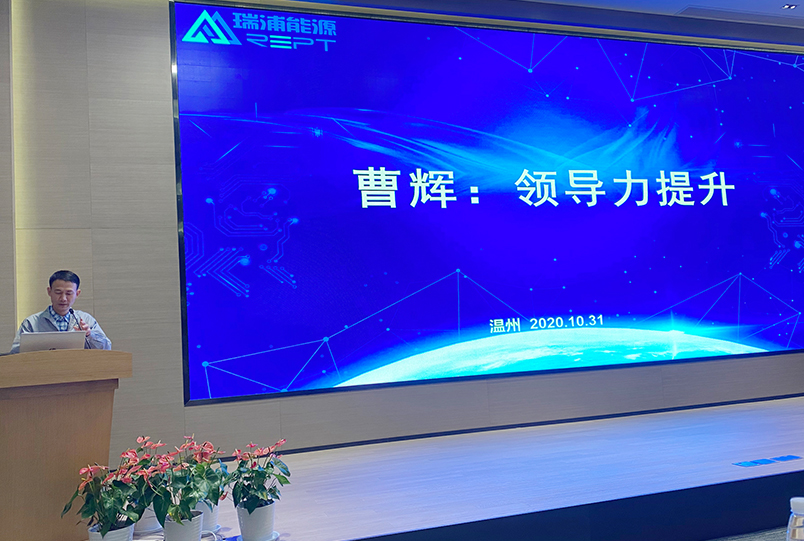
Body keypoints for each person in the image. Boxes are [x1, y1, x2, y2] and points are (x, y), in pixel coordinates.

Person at [9, 270, 111, 354]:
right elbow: (15, 354)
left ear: (77, 293)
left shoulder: (86, 320)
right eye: (58, 292)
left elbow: (106, 348)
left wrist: (90, 335)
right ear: (49, 291)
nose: (63, 298)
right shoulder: (31, 323)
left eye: (69, 293)